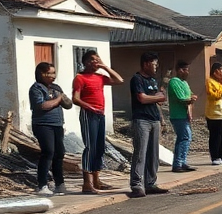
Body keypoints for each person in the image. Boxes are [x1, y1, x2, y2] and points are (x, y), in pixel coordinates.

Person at [71, 50, 123, 193]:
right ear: (87, 62)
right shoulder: (80, 78)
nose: (97, 61)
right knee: (90, 147)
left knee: (100, 147)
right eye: (94, 59)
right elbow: (75, 98)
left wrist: (105, 67)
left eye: (98, 59)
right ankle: (87, 183)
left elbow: (119, 80)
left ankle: (96, 180)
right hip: (89, 114)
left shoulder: (100, 77)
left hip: (100, 114)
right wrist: (89, 107)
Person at [128, 52, 169, 198]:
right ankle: (136, 184)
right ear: (146, 64)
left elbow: (159, 99)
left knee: (153, 153)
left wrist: (157, 99)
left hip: (154, 119)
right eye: (154, 64)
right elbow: (142, 98)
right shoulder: (137, 79)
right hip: (142, 120)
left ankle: (150, 182)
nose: (156, 67)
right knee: (140, 153)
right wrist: (156, 97)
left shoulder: (152, 80)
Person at [29, 61, 69, 195]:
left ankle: (59, 184)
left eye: (54, 73)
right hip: (43, 125)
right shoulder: (36, 88)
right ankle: (42, 185)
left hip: (57, 124)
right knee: (48, 152)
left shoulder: (56, 88)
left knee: (59, 153)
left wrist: (64, 98)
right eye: (49, 73)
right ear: (41, 74)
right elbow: (43, 106)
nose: (53, 76)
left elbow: (68, 104)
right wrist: (58, 99)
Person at [166, 60, 199, 172]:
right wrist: (190, 99)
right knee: (184, 137)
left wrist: (192, 98)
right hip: (178, 115)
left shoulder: (184, 83)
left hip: (185, 115)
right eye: (185, 70)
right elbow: (182, 98)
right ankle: (178, 163)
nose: (187, 72)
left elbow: (190, 95)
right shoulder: (174, 82)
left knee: (185, 138)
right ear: (180, 70)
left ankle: (182, 162)